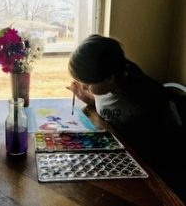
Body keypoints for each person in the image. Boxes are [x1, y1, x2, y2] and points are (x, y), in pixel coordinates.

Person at [67, 34, 185, 202]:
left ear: (109, 78)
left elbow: (144, 158)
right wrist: (87, 98)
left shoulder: (139, 107)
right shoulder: (109, 85)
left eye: (87, 83)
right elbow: (107, 105)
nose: (84, 86)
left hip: (151, 175)